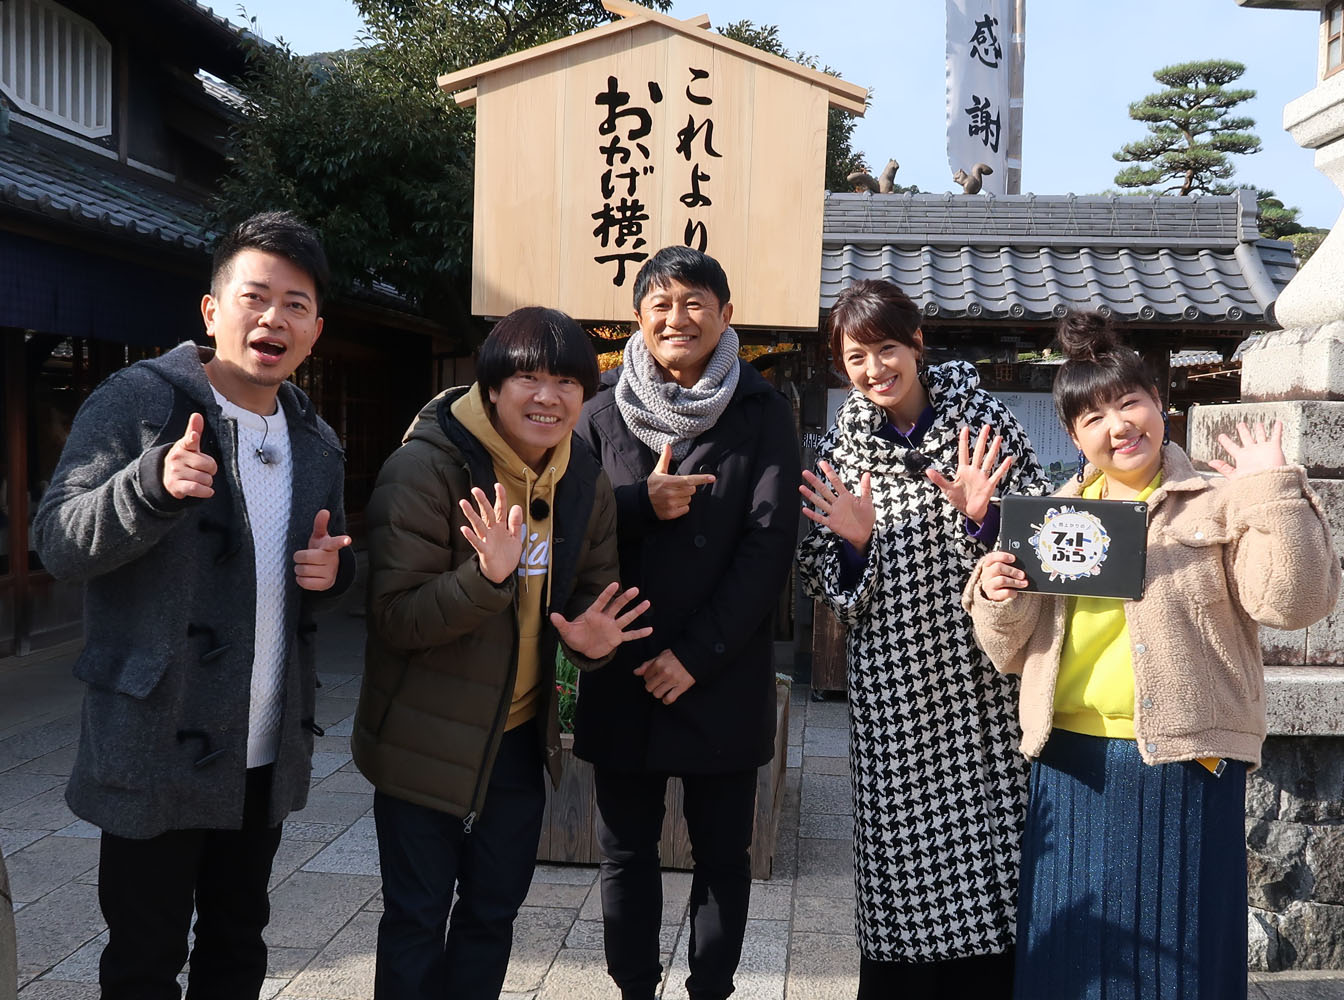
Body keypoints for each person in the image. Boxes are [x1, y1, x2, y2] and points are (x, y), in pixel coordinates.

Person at [965, 312, 1342, 999]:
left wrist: (1276, 488)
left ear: (1158, 404)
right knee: (1073, 957)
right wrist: (996, 593)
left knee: (1182, 953)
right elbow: (1009, 652)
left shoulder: (1224, 499)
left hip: (1184, 761)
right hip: (1071, 763)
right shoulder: (1055, 516)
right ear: (1075, 436)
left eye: (1129, 402)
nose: (1119, 426)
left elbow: (1293, 603)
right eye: (1094, 417)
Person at [32, 210, 355, 999]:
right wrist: (148, 487)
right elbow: (56, 539)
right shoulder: (140, 401)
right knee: (144, 959)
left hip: (262, 745)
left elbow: (329, 559)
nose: (273, 318)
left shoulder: (316, 441)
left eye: (296, 304)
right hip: (154, 735)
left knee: (238, 944)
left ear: (315, 329)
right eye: (255, 296)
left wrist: (333, 577)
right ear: (212, 312)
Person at [352, 306, 650, 999]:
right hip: (423, 740)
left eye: (567, 383)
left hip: (518, 743)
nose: (547, 397)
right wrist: (487, 578)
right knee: (416, 921)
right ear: (490, 387)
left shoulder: (583, 481)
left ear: (586, 394)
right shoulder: (423, 470)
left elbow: (591, 594)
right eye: (528, 379)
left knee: (492, 916)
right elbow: (395, 619)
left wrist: (592, 641)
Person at [795, 278, 1048, 997]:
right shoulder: (843, 453)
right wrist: (855, 545)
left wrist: (983, 519)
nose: (875, 370)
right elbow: (823, 579)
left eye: (886, 349)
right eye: (857, 358)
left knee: (993, 873)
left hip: (984, 689)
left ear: (917, 345)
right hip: (895, 702)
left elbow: (1038, 545)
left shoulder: (986, 423)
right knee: (901, 886)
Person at [573, 245, 802, 1000]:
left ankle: (712, 989)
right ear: (637, 317)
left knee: (722, 855)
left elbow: (770, 546)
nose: (679, 318)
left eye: (696, 303)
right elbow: (570, 531)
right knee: (625, 851)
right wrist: (643, 505)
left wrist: (696, 656)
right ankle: (633, 987)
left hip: (720, 669)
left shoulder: (764, 412)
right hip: (625, 661)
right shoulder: (600, 412)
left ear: (726, 315)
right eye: (662, 304)